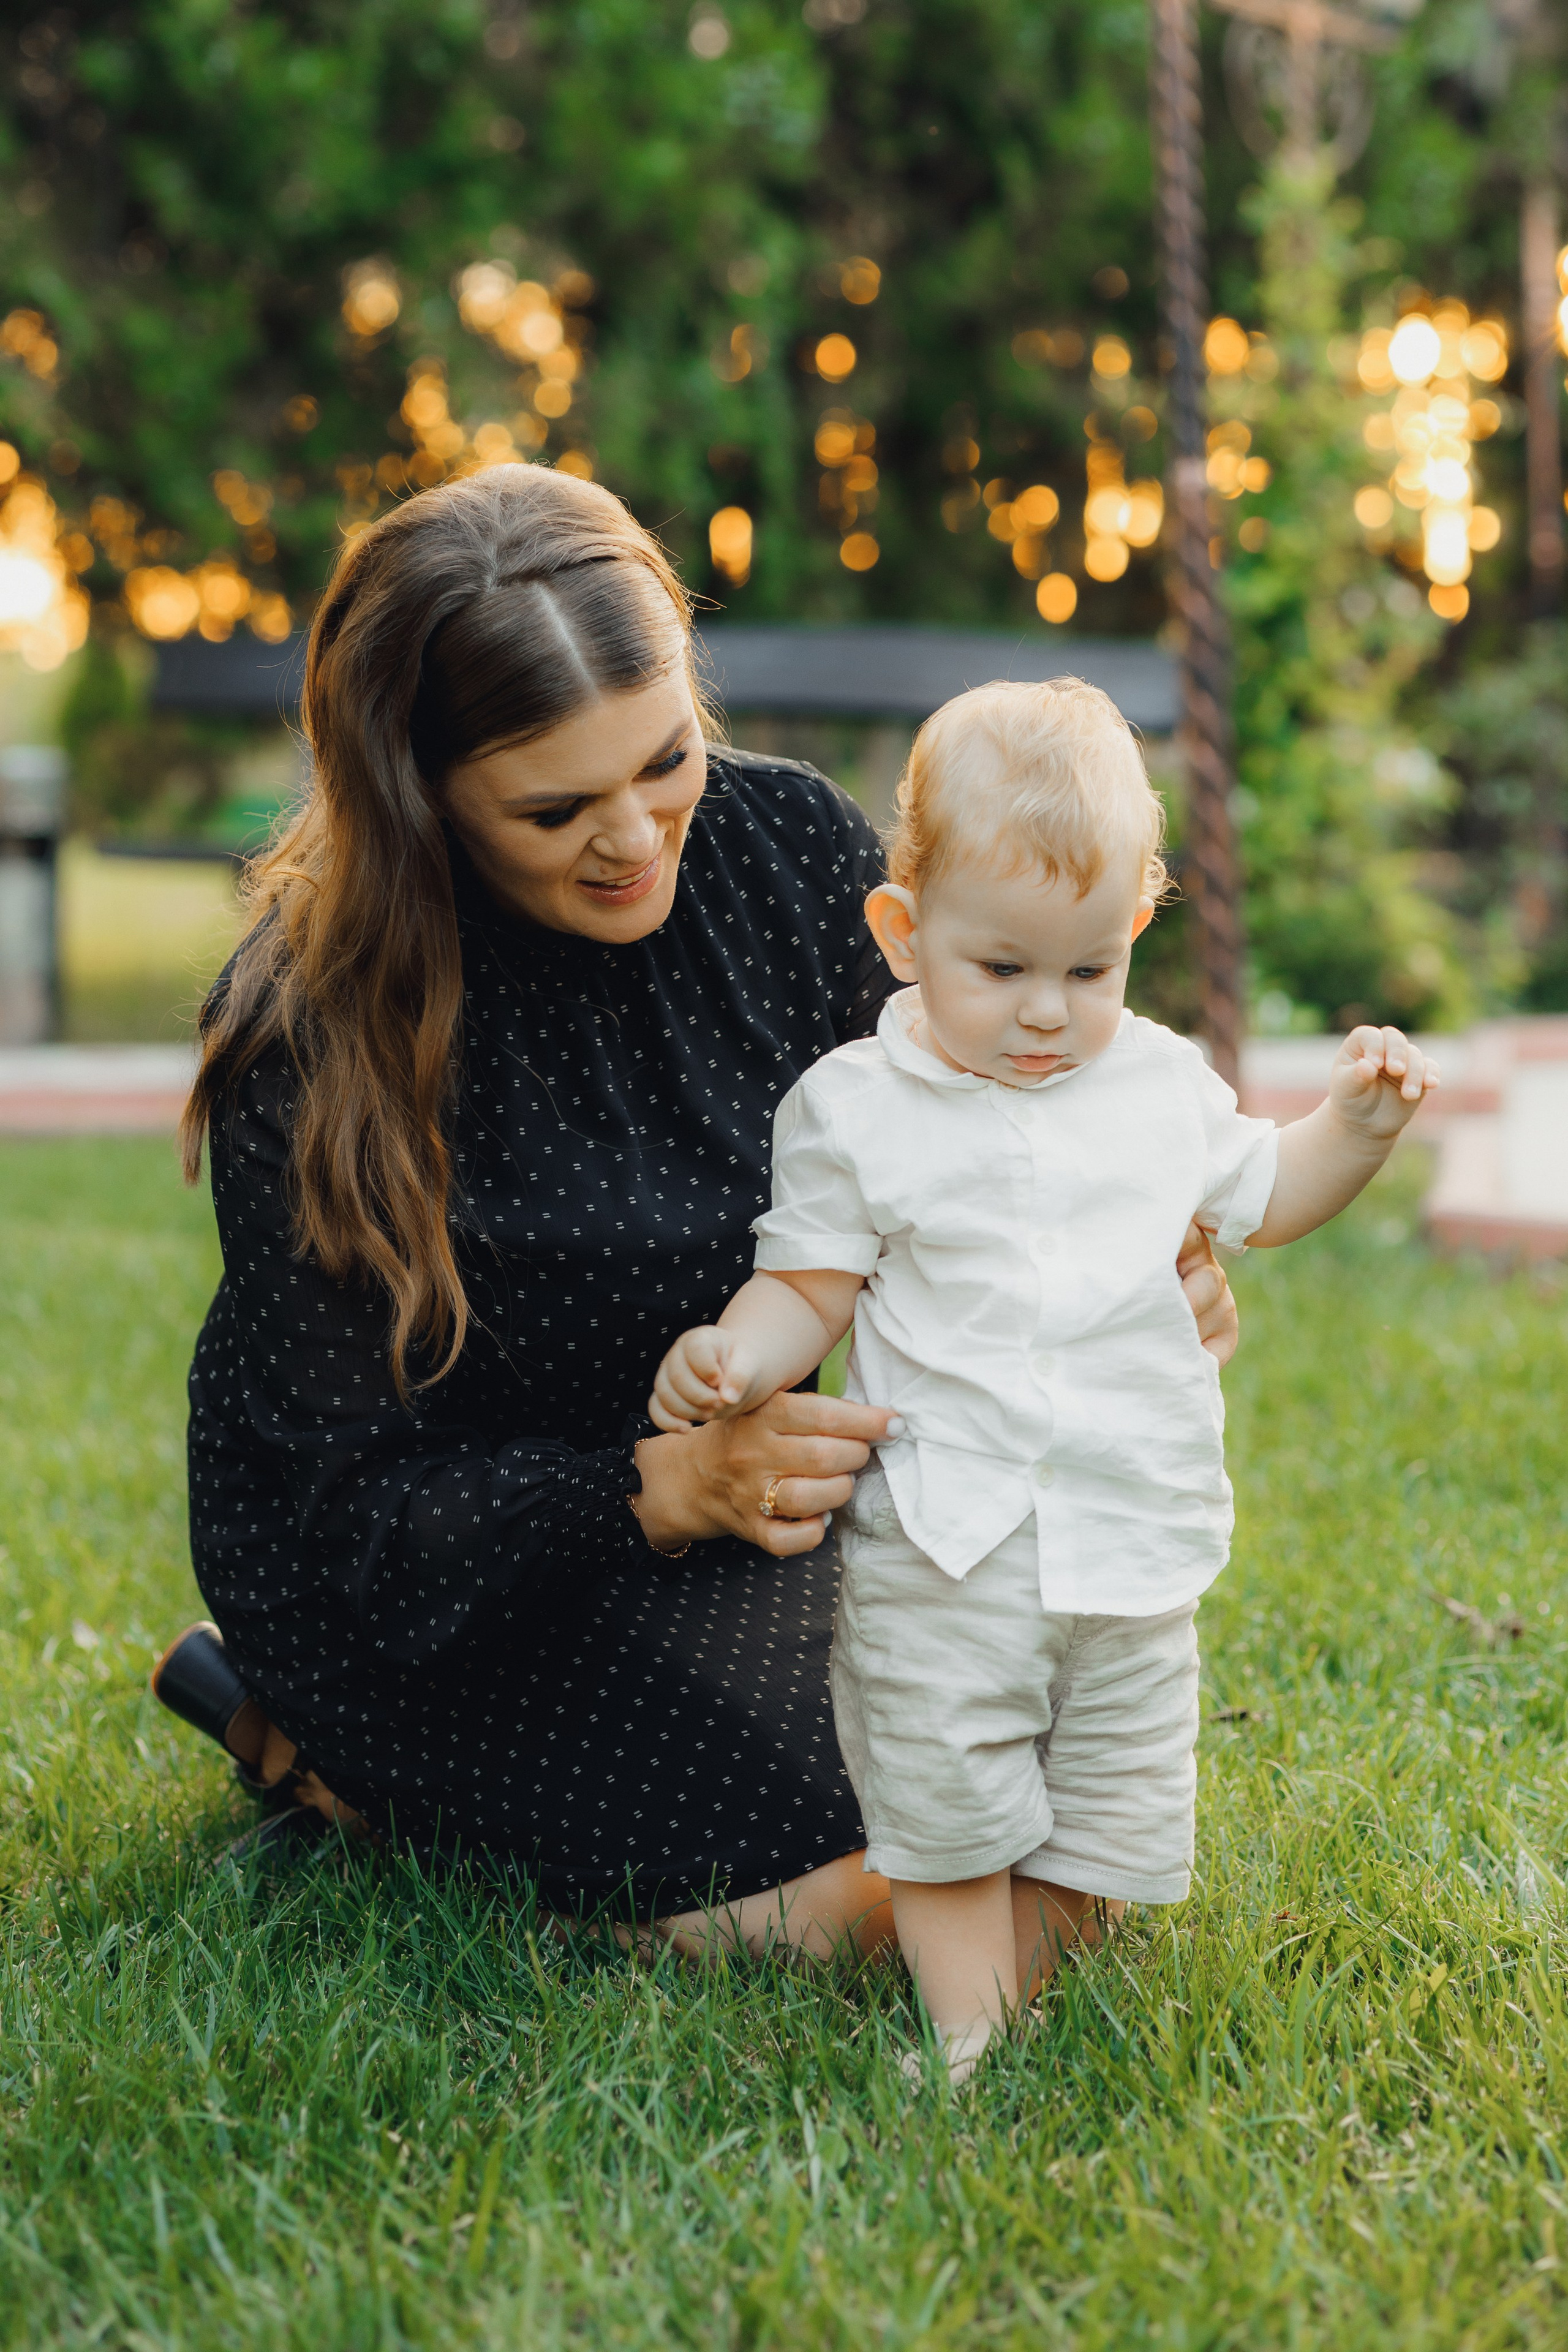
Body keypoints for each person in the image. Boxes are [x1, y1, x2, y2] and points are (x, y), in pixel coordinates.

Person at [153, 467, 1239, 1962]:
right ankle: (362, 1777)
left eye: (663, 759)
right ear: (420, 790)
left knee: (1070, 1819)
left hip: (748, 1522)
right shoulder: (312, 1029)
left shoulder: (785, 857)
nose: (636, 837)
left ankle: (363, 1786)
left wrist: (1139, 1258)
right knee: (934, 1891)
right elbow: (355, 1515)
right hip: (451, 1584)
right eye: (556, 806)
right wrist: (656, 1491)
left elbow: (981, 1126)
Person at [650, 677, 1436, 2068]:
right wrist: (738, 1355)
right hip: (946, 1546)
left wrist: (1356, 1128)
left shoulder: (1156, 1085)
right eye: (998, 968)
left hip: (1126, 1538)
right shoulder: (856, 1109)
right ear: (904, 935)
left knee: (1110, 1827)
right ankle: (965, 2035)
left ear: (1134, 929)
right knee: (946, 1806)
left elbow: (1270, 1186)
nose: (1042, 1014)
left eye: (1087, 971)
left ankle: (1020, 1960)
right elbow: (809, 1280)